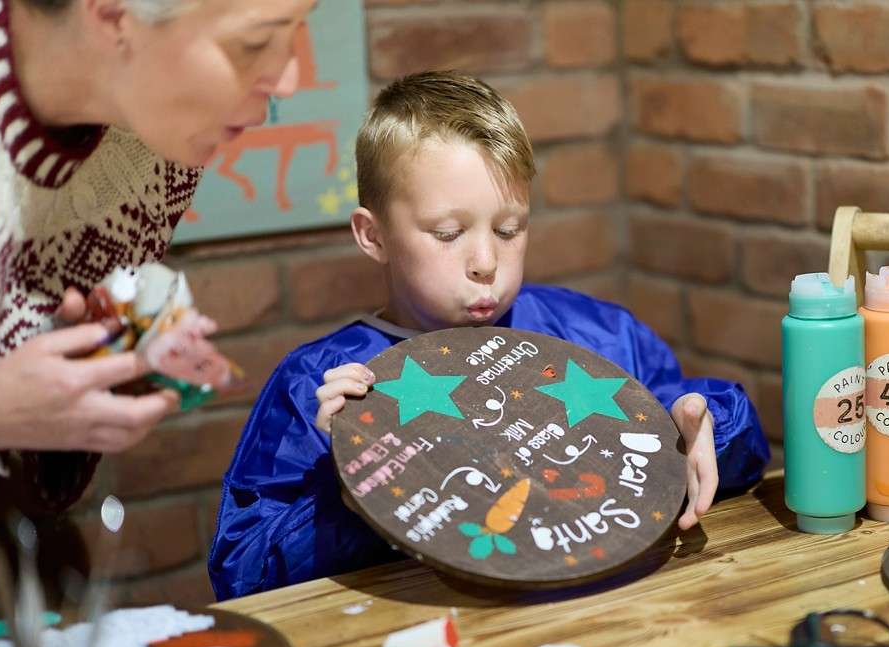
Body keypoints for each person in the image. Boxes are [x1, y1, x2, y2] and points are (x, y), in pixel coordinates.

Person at [209, 72, 771, 600]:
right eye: (449, 233)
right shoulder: (318, 384)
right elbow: (242, 574)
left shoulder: (593, 335)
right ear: (373, 235)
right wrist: (347, 483)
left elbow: (734, 439)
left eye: (509, 229)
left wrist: (701, 428)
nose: (485, 261)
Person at [0, 0, 313, 527]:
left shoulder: (151, 140)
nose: (291, 79)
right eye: (255, 42)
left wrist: (92, 358)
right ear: (111, 13)